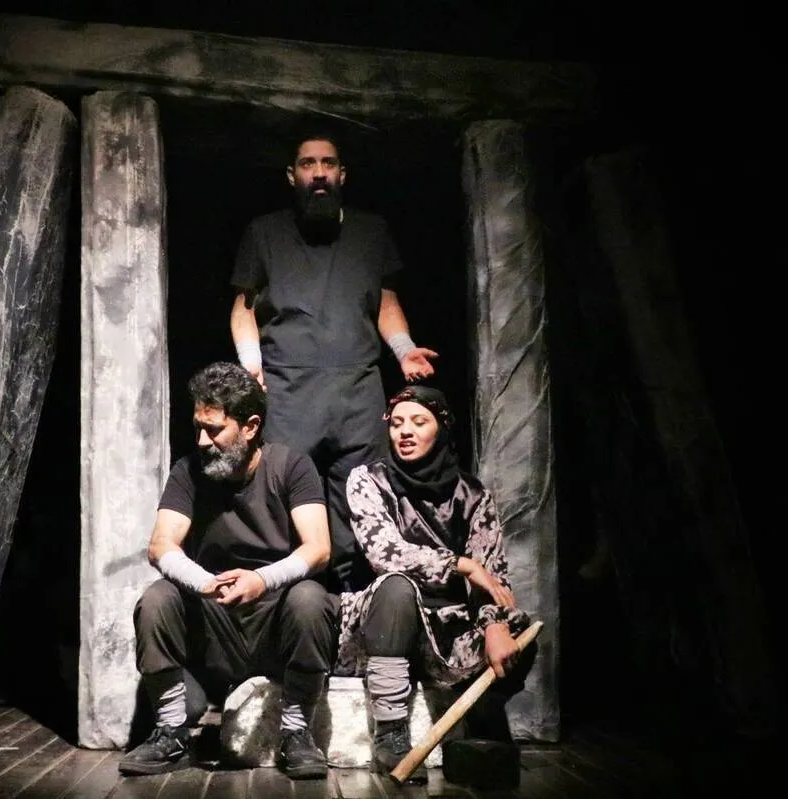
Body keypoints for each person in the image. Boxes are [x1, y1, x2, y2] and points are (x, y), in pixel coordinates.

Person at [230, 130, 439, 595]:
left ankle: (355, 618)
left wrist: (404, 350)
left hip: (357, 394)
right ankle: (292, 618)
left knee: (360, 521)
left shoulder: (371, 231)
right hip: (288, 394)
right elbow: (244, 307)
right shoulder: (264, 233)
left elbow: (385, 302)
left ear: (342, 174)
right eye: (308, 164)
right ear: (292, 175)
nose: (319, 173)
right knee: (288, 515)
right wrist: (250, 364)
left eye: (328, 163)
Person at [119, 361, 338, 780]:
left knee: (311, 599)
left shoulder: (292, 467)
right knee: (158, 598)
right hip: (214, 619)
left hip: (273, 618)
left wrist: (261, 580)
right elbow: (161, 545)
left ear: (250, 426)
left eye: (214, 429)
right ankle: (171, 731)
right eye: (198, 427)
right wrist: (204, 583)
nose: (202, 440)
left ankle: (296, 733)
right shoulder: (188, 471)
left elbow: (319, 548)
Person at [333, 385, 534, 778]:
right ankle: (391, 733)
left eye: (418, 422)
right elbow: (385, 553)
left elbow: (491, 572)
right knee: (396, 588)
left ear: (440, 428)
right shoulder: (368, 480)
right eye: (397, 423)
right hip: (384, 619)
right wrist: (460, 565)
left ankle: (480, 735)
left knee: (519, 631)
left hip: (448, 626)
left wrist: (494, 625)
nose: (405, 431)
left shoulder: (473, 494)